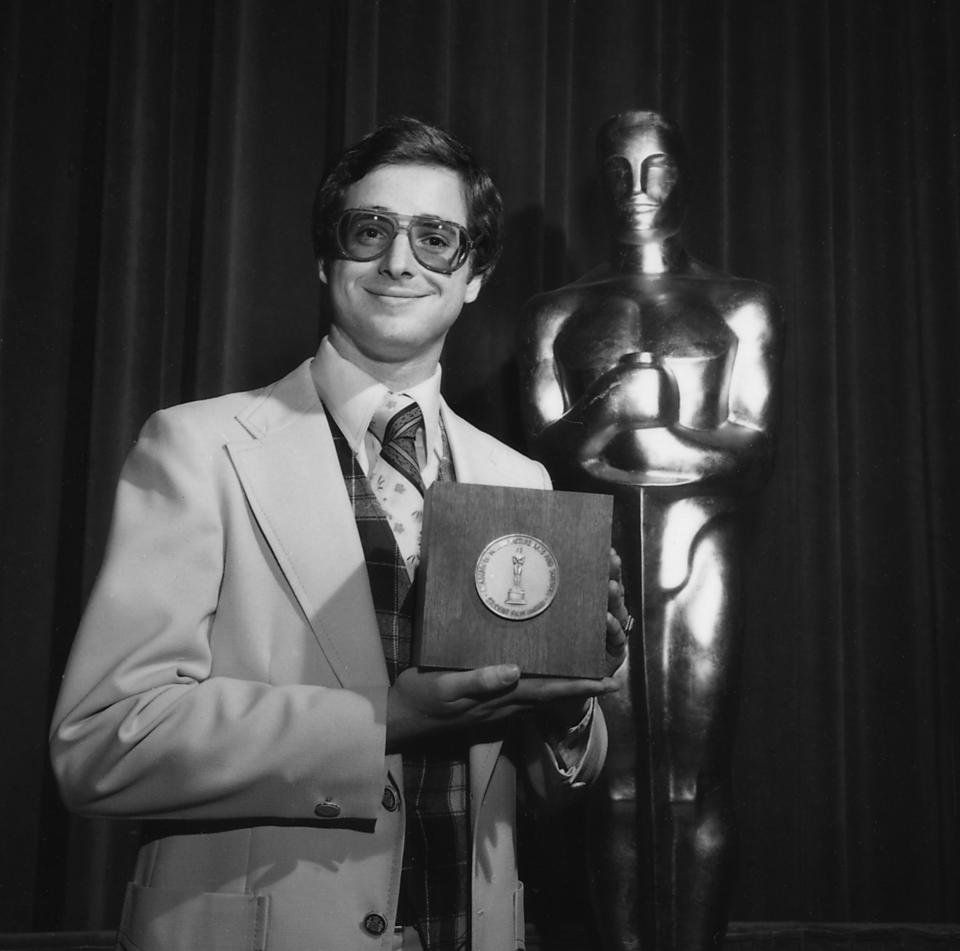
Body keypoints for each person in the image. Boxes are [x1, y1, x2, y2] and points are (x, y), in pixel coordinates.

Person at [50, 116, 628, 951]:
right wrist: (381, 719)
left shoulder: (520, 481)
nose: (400, 262)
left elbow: (544, 784)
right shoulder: (197, 448)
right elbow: (102, 741)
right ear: (328, 257)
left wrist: (570, 705)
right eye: (371, 230)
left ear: (474, 275)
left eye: (436, 238)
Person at [518, 111, 782, 951]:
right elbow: (541, 453)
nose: (637, 190)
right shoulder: (557, 313)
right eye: (621, 171)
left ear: (684, 179)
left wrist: (660, 424)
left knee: (695, 779)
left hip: (704, 546)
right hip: (590, 544)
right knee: (613, 780)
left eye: (657, 169)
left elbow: (752, 445)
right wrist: (606, 406)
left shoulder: (738, 305)